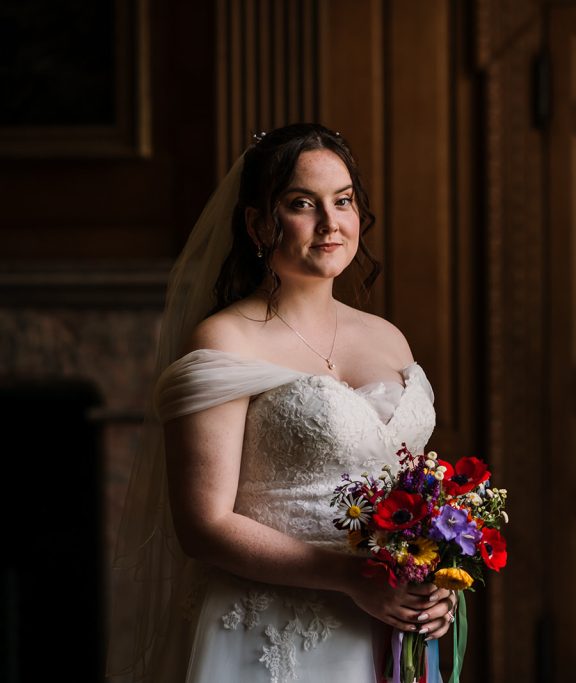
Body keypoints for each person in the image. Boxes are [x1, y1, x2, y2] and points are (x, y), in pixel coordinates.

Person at [108, 123, 455, 682]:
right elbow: (203, 524)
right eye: (302, 204)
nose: (330, 223)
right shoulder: (226, 341)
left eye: (342, 201)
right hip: (270, 631)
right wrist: (349, 576)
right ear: (257, 223)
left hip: (386, 626)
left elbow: (410, 496)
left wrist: (437, 581)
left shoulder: (389, 338)